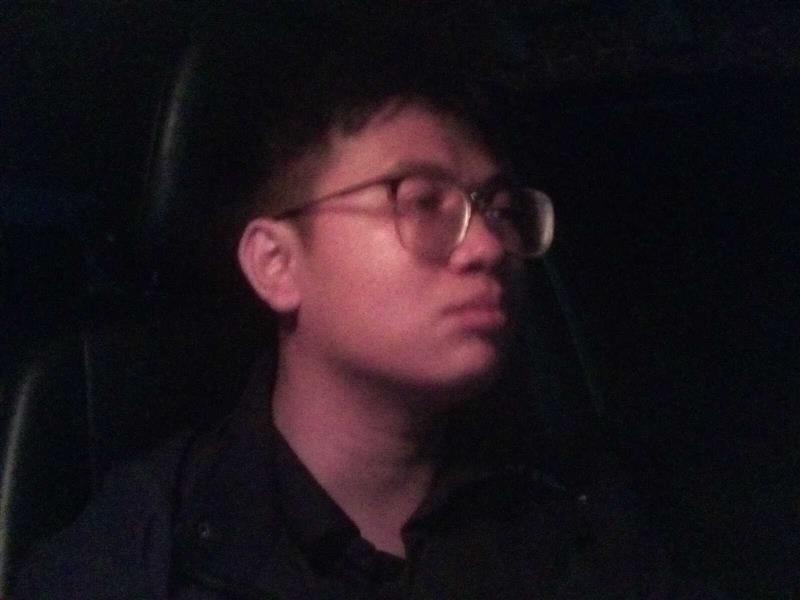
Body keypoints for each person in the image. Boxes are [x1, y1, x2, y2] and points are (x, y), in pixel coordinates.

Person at [15, 3, 707, 598]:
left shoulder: (579, 519)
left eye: (498, 210)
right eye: (421, 202)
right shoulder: (142, 556)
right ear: (277, 264)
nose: (487, 247)